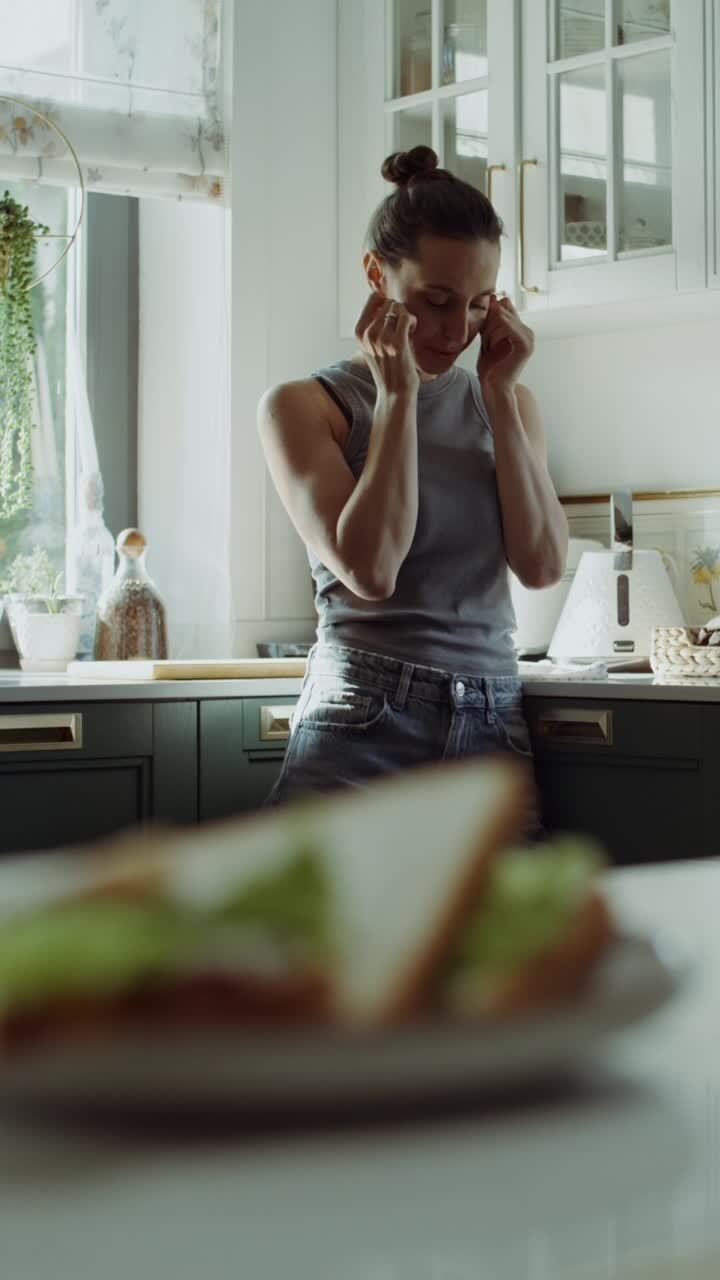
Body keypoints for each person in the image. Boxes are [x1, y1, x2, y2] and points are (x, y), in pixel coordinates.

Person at [258, 145, 568, 813]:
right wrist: (396, 395)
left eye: (481, 305)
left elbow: (542, 566)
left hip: (492, 715)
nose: (458, 331)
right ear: (377, 274)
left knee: (512, 920)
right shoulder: (304, 407)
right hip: (362, 716)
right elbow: (370, 572)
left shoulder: (511, 401)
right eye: (436, 300)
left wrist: (499, 397)